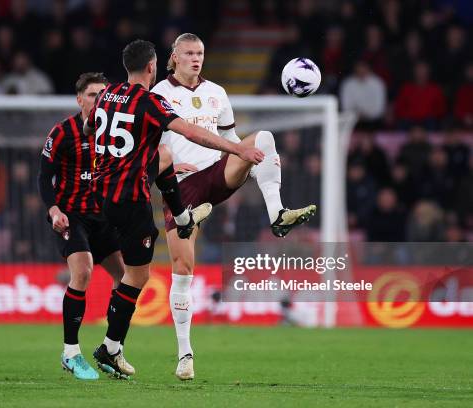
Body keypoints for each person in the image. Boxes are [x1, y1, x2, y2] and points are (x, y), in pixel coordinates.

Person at [85, 39, 264, 379]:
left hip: (100, 194)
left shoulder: (107, 94)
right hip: (129, 199)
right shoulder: (151, 101)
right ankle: (109, 348)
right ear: (153, 67)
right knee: (137, 275)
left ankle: (183, 215)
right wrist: (236, 150)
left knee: (164, 158)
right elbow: (194, 133)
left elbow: (88, 126)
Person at [152, 33, 317, 380]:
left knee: (262, 139)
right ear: (174, 57)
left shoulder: (217, 93)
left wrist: (250, 160)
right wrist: (162, 165)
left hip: (216, 173)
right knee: (182, 267)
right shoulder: (159, 95)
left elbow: (230, 141)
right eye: (189, 53)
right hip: (181, 187)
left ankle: (278, 213)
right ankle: (185, 353)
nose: (196, 59)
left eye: (200, 53)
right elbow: (147, 144)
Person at [37, 72, 132, 380]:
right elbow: (43, 175)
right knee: (83, 271)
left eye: (103, 93)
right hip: (70, 215)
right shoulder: (63, 132)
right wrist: (53, 210)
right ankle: (70, 352)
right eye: (92, 94)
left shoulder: (115, 131)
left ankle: (112, 348)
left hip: (102, 215)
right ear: (80, 100)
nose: (99, 98)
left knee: (125, 276)